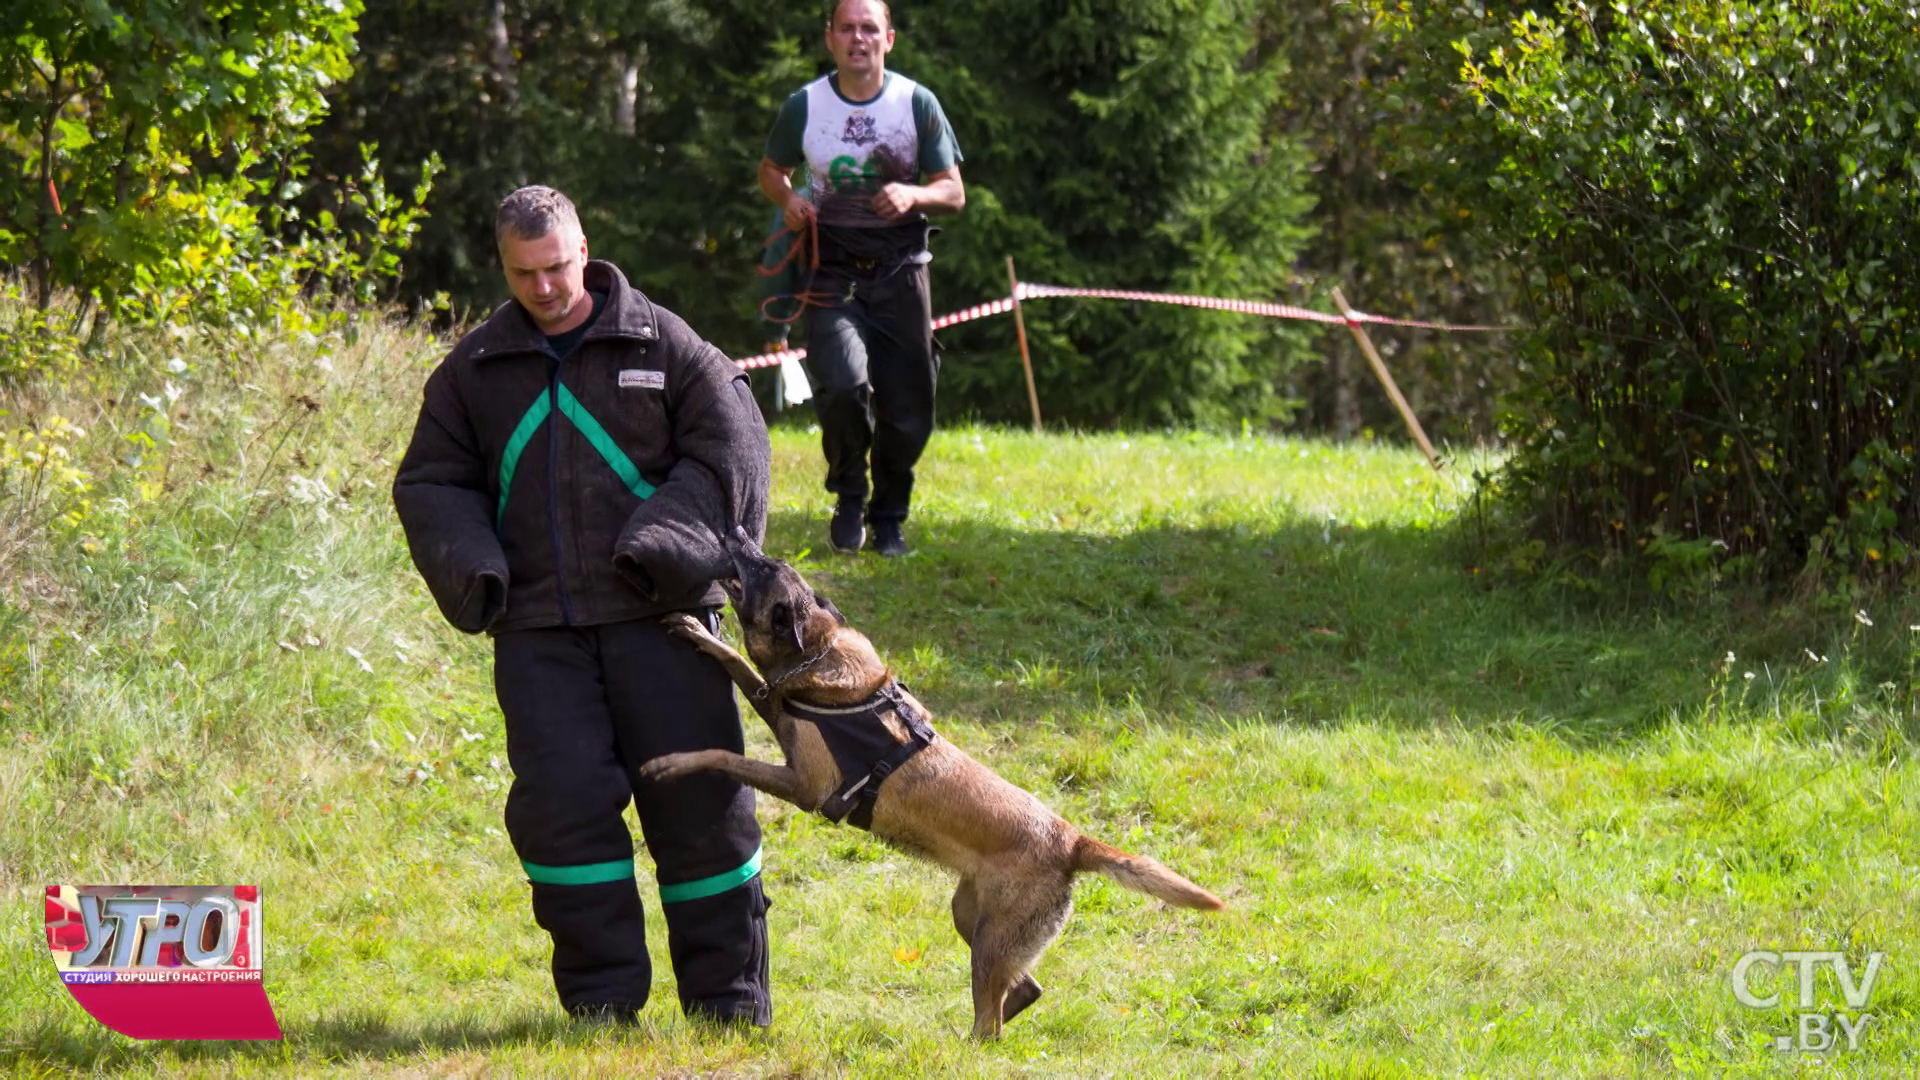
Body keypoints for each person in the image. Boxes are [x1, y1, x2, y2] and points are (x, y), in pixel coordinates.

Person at [392, 186, 773, 1027]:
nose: (546, 287)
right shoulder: (472, 371)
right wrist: (475, 571)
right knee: (561, 812)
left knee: (702, 808)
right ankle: (600, 1006)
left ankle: (730, 1002)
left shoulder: (666, 343)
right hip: (537, 633)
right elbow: (430, 482)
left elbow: (732, 450)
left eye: (558, 266)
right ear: (504, 266)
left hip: (664, 622)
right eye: (525, 273)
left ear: (584, 249)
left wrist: (665, 547)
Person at [758, 0, 964, 556]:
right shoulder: (805, 105)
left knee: (908, 407)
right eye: (847, 28)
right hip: (833, 273)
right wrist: (791, 200)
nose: (858, 38)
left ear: (889, 39)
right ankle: (849, 493)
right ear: (830, 38)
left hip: (902, 273)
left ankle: (889, 516)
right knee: (844, 388)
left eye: (869, 28)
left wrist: (914, 193)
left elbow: (954, 191)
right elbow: (772, 172)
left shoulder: (916, 103)